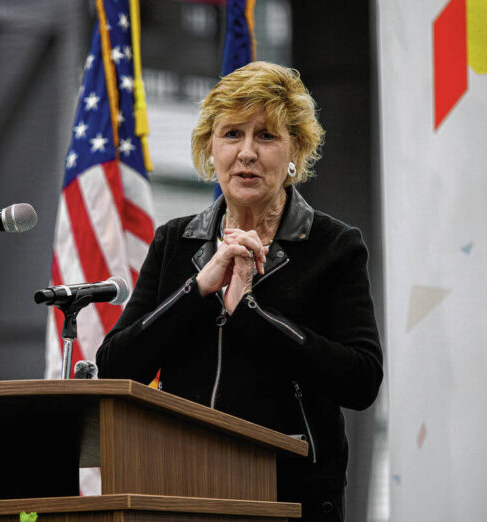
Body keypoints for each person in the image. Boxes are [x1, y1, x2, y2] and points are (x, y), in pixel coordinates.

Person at [95, 61, 383, 521]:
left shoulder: (333, 246)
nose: (247, 152)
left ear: (295, 150)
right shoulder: (175, 242)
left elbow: (361, 380)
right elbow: (114, 365)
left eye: (266, 136)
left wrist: (250, 314)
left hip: (292, 494)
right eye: (232, 134)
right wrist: (196, 289)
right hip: (179, 490)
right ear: (210, 148)